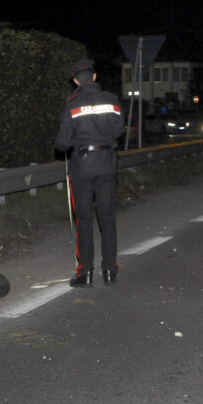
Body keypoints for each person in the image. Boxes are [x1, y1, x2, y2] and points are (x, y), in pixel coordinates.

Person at [55, 59, 125, 287]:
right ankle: (109, 272)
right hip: (107, 164)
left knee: (83, 220)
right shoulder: (111, 100)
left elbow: (62, 143)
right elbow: (118, 130)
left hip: (82, 167)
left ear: (75, 80)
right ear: (94, 77)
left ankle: (85, 274)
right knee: (107, 219)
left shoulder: (72, 104)